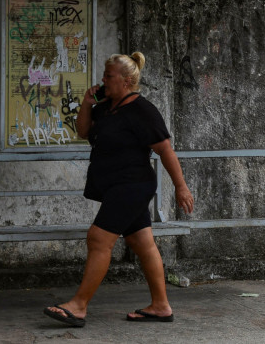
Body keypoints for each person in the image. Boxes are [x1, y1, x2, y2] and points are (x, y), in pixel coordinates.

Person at [43, 52, 194, 327]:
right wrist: (87, 104)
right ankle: (160, 306)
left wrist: (181, 187)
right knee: (141, 242)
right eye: (104, 75)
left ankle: (78, 306)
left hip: (133, 185)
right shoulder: (106, 106)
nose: (103, 80)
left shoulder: (143, 110)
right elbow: (83, 131)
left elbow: (165, 150)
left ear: (126, 80)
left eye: (108, 76)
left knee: (99, 239)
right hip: (116, 186)